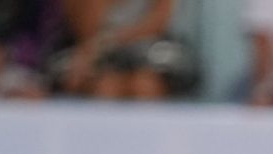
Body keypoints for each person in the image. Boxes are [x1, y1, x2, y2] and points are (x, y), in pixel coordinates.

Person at [53, 0, 189, 99]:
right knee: (106, 87)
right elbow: (87, 33)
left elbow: (158, 23)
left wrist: (115, 39)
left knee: (144, 85)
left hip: (147, 51)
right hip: (100, 54)